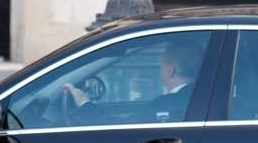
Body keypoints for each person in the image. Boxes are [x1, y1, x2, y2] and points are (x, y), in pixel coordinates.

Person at [61, 41, 203, 125]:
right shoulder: (201, 97)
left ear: (169, 71)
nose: (160, 69)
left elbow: (119, 128)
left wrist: (84, 104)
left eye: (162, 65)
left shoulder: (166, 104)